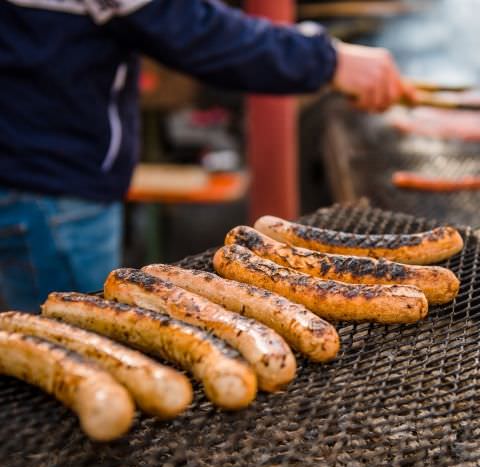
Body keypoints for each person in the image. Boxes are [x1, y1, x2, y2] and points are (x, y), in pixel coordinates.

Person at [0, 0, 415, 312]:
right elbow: (189, 28)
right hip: (50, 180)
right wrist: (328, 59)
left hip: (35, 166)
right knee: (69, 359)